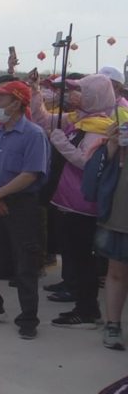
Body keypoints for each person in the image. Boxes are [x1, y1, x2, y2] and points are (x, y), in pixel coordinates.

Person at [30, 73, 115, 328]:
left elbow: (85, 162)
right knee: (74, 256)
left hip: (83, 206)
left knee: (83, 259)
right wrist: (35, 92)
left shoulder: (100, 127)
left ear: (95, 96)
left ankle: (87, 309)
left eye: (80, 91)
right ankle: (82, 304)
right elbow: (43, 120)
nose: (74, 95)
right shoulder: (79, 119)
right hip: (66, 201)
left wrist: (61, 142)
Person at [0, 81, 49, 340]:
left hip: (21, 204)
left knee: (25, 261)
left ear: (16, 103)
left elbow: (30, 174)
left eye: (0, 99)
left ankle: (28, 317)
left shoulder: (34, 134)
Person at [92, 119, 127, 350]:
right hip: (121, 214)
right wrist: (112, 145)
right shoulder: (121, 129)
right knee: (116, 272)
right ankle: (113, 324)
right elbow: (96, 170)